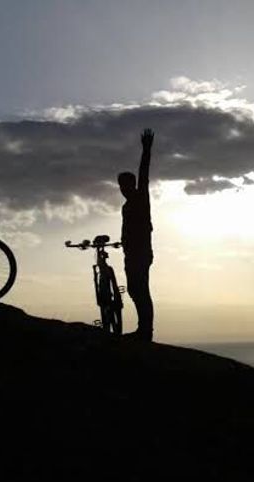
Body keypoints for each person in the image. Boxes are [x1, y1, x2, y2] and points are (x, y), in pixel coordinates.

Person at [118, 128, 155, 341]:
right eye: (121, 186)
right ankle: (144, 329)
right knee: (134, 289)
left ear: (131, 184)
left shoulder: (141, 197)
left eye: (125, 185)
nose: (123, 189)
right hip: (131, 253)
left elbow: (144, 174)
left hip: (141, 253)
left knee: (141, 290)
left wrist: (146, 150)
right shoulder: (126, 205)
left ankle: (146, 331)